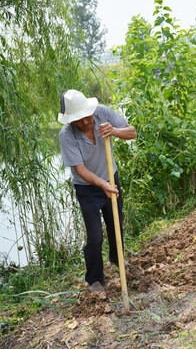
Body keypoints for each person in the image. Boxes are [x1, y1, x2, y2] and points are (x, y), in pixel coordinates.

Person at [58, 89, 137, 293]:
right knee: (94, 235)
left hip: (111, 177)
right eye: (79, 119)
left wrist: (114, 131)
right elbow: (80, 170)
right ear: (71, 121)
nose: (86, 121)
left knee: (116, 224)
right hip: (88, 188)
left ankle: (116, 258)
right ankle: (94, 278)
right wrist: (102, 185)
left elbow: (132, 132)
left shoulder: (102, 113)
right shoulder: (66, 135)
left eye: (87, 116)